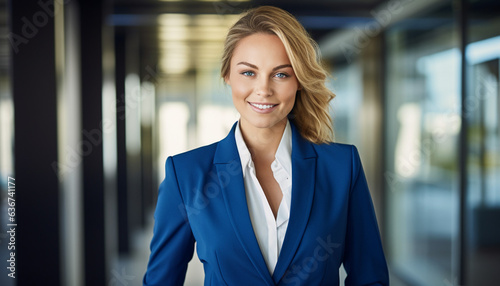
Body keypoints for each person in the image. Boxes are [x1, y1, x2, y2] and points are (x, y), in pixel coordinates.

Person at [143, 6, 389, 286]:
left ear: (299, 81)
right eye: (248, 73)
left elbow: (370, 278)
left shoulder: (342, 167)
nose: (263, 89)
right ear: (227, 76)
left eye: (281, 74)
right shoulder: (186, 174)